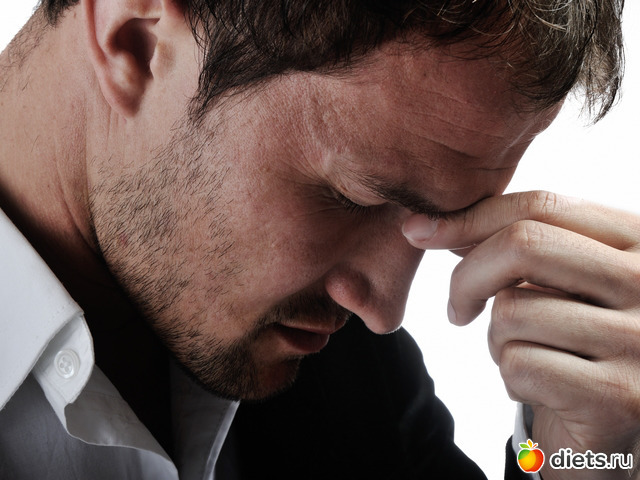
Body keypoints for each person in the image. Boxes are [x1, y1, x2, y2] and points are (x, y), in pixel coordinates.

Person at [0, 1, 636, 479]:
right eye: (356, 199)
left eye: (448, 223)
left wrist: (580, 461)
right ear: (135, 41)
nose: (384, 312)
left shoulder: (354, 378)